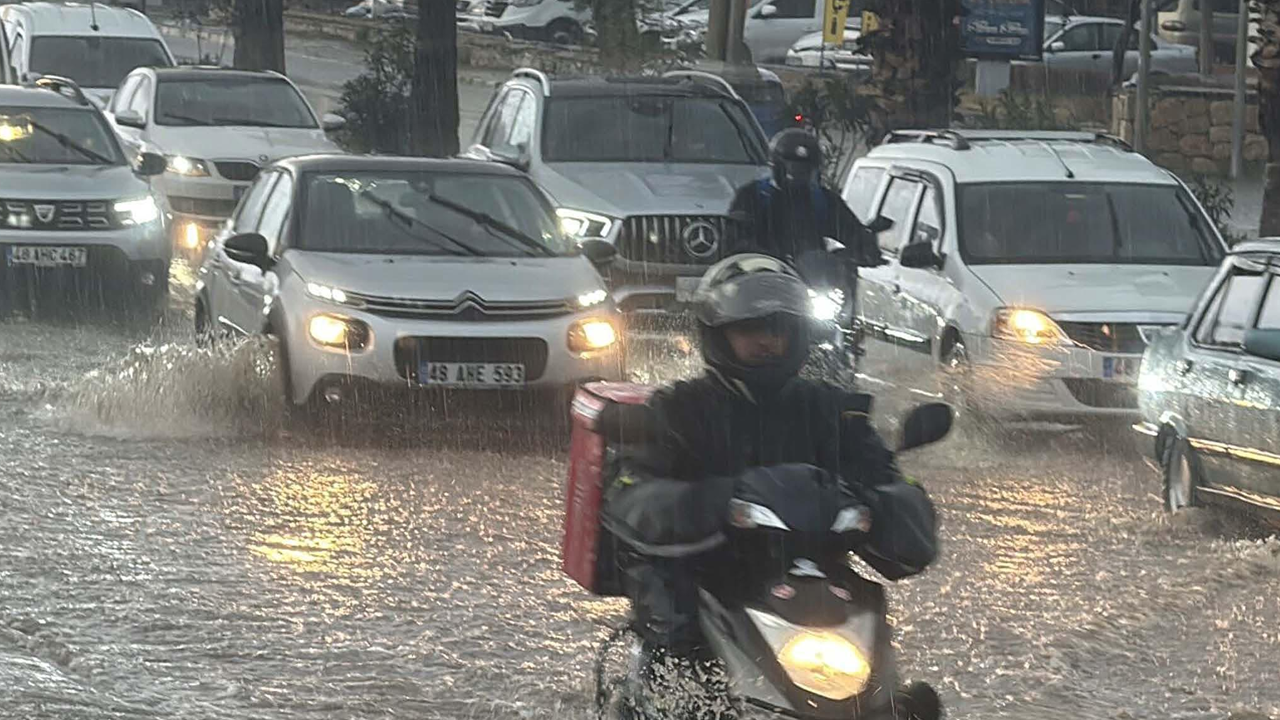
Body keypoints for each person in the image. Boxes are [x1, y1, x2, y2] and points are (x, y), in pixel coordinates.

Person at [601, 254, 939, 716]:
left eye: (780, 329)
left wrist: (881, 507)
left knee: (902, 699)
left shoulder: (835, 413)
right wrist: (722, 502)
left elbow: (891, 482)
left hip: (811, 580)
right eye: (752, 329)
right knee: (680, 670)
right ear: (718, 335)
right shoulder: (676, 410)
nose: (769, 342)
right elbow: (630, 496)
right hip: (707, 575)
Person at [727, 128, 883, 268]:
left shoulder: (824, 200)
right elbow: (734, 239)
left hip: (811, 283)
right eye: (791, 167)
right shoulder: (753, 196)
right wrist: (761, 255)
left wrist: (865, 246)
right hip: (762, 279)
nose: (797, 174)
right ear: (776, 166)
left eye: (805, 168)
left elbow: (849, 229)